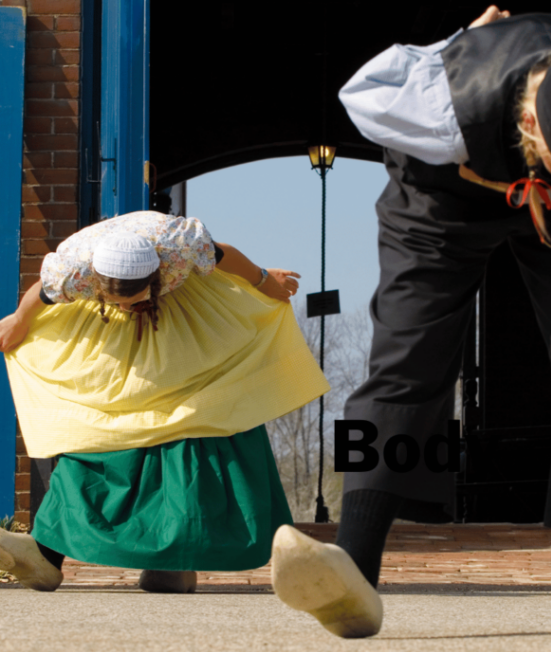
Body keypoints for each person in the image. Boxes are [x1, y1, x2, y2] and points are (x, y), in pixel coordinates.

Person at [270, 6, 551, 638]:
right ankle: (356, 561)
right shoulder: (438, 92)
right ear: (531, 122)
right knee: (407, 362)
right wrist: (455, 46)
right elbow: (358, 95)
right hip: (444, 190)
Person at [0, 210, 329, 591]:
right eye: (119, 300)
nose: (127, 306)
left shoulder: (179, 244)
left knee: (195, 416)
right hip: (105, 327)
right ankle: (45, 554)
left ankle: (173, 565)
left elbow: (226, 254)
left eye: (133, 300)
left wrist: (263, 279)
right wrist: (21, 320)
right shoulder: (75, 270)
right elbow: (41, 293)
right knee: (99, 419)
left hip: (183, 314)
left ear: (156, 277)